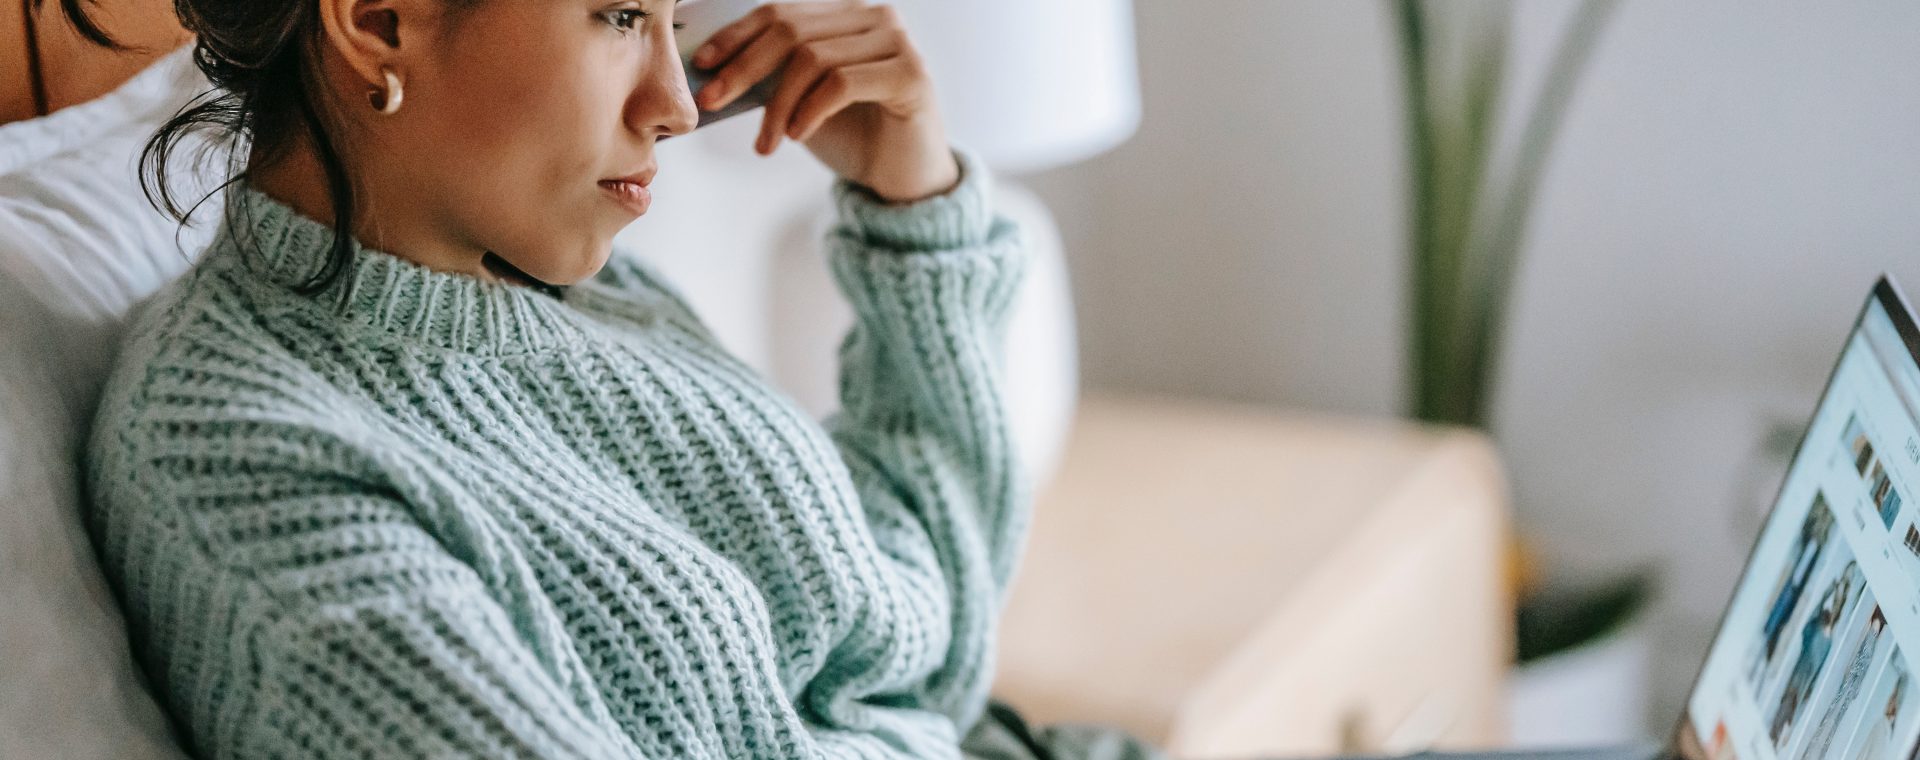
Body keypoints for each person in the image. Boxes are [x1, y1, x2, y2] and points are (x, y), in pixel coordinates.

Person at [77, 0, 1169, 758]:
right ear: (378, 21)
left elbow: (911, 651)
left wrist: (913, 205)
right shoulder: (241, 458)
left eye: (667, 18)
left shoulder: (571, 286)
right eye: (616, 17)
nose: (677, 104)